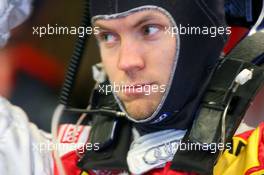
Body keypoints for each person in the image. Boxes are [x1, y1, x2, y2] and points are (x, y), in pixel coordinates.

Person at [0, 0, 264, 175]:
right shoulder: (59, 160)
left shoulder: (253, 157)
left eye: (149, 30)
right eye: (108, 36)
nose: (126, 62)